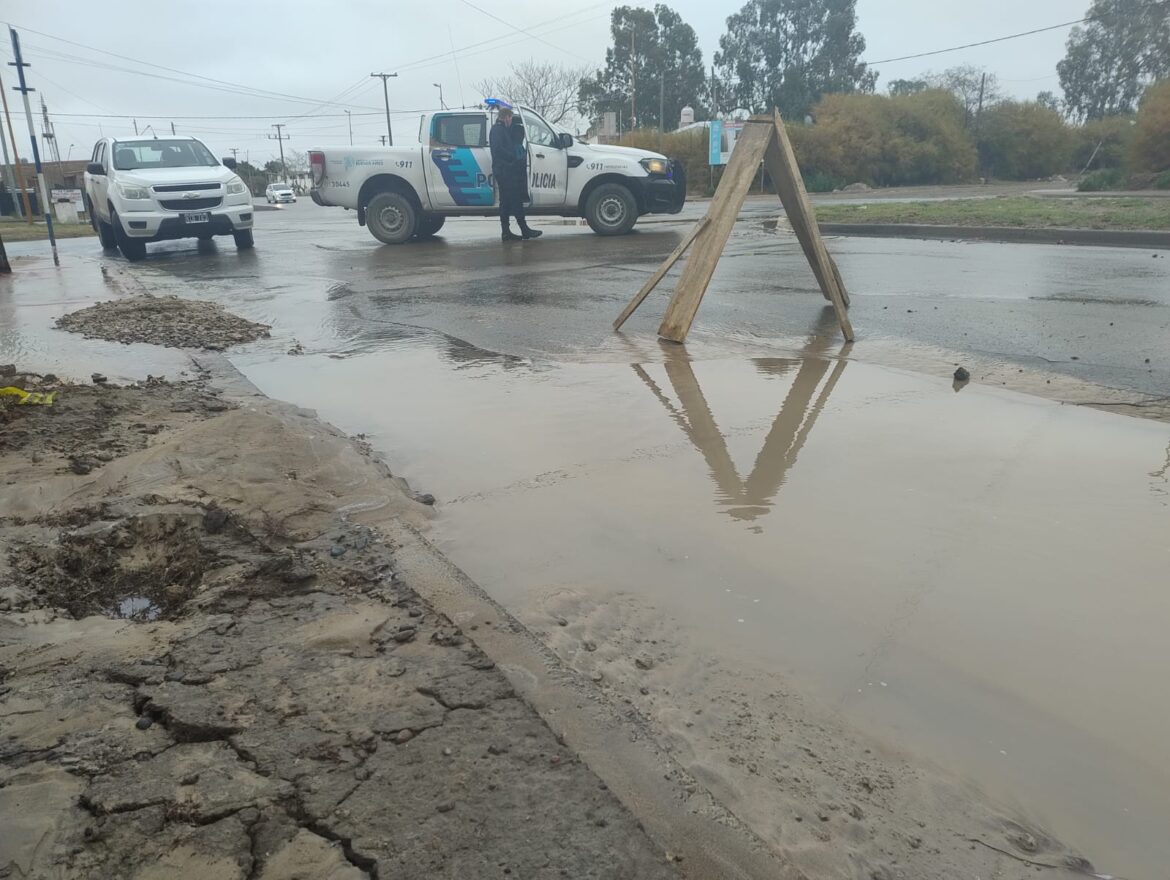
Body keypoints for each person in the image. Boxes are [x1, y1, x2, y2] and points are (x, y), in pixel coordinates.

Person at [489, 107, 541, 242]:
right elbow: (497, 150)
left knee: (506, 202)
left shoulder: (503, 130)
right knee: (514, 200)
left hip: (507, 170)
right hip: (504, 170)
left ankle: (507, 232)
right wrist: (513, 157)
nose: (511, 120)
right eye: (510, 118)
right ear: (506, 117)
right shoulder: (497, 130)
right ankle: (523, 229)